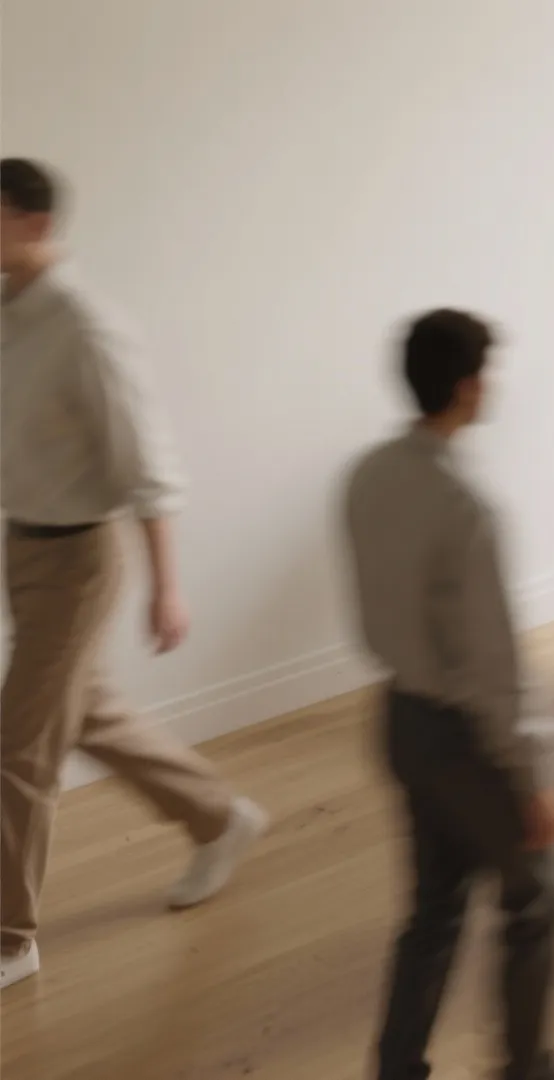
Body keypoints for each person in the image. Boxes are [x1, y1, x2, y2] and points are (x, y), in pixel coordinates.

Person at [0, 158, 267, 993]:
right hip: (26, 547)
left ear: (33, 222)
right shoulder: (9, 314)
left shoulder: (83, 324)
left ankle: (10, 939)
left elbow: (149, 463)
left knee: (15, 750)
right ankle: (218, 817)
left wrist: (167, 583)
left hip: (80, 558)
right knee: (84, 714)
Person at [343, 310, 554, 1080]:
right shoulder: (467, 505)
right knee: (537, 898)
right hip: (463, 740)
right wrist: (536, 778)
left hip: (397, 719)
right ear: (467, 386)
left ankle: (396, 1069)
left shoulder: (366, 475)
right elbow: (497, 669)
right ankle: (527, 1069)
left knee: (433, 909)